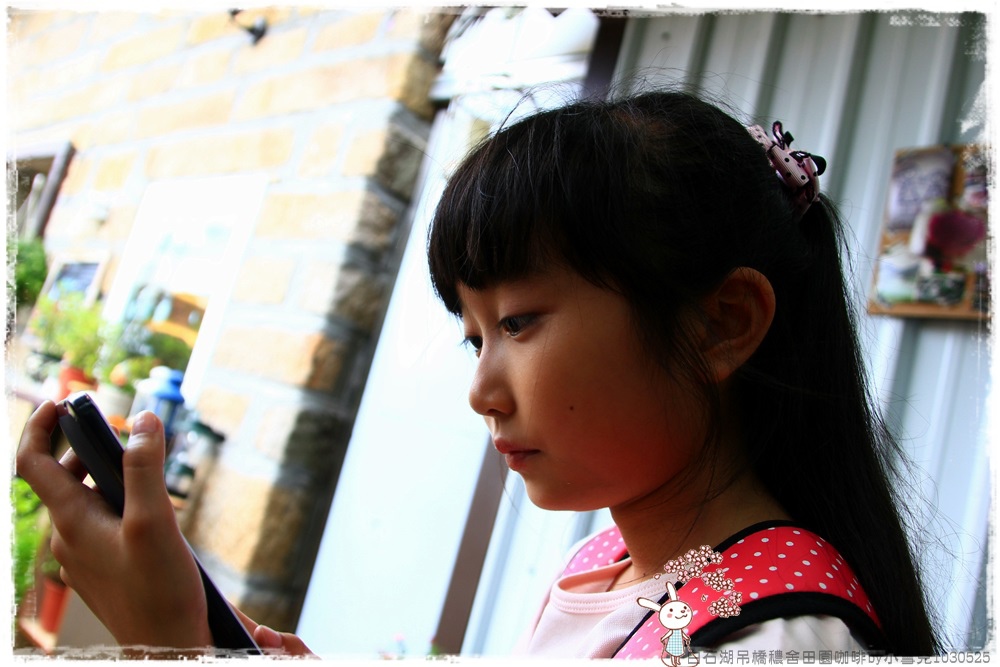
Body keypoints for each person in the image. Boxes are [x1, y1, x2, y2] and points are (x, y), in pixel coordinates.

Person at [16, 89, 940, 657]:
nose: (481, 391)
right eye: (474, 337)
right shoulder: (610, 566)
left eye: (519, 322)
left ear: (721, 324)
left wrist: (174, 648)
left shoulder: (777, 638)